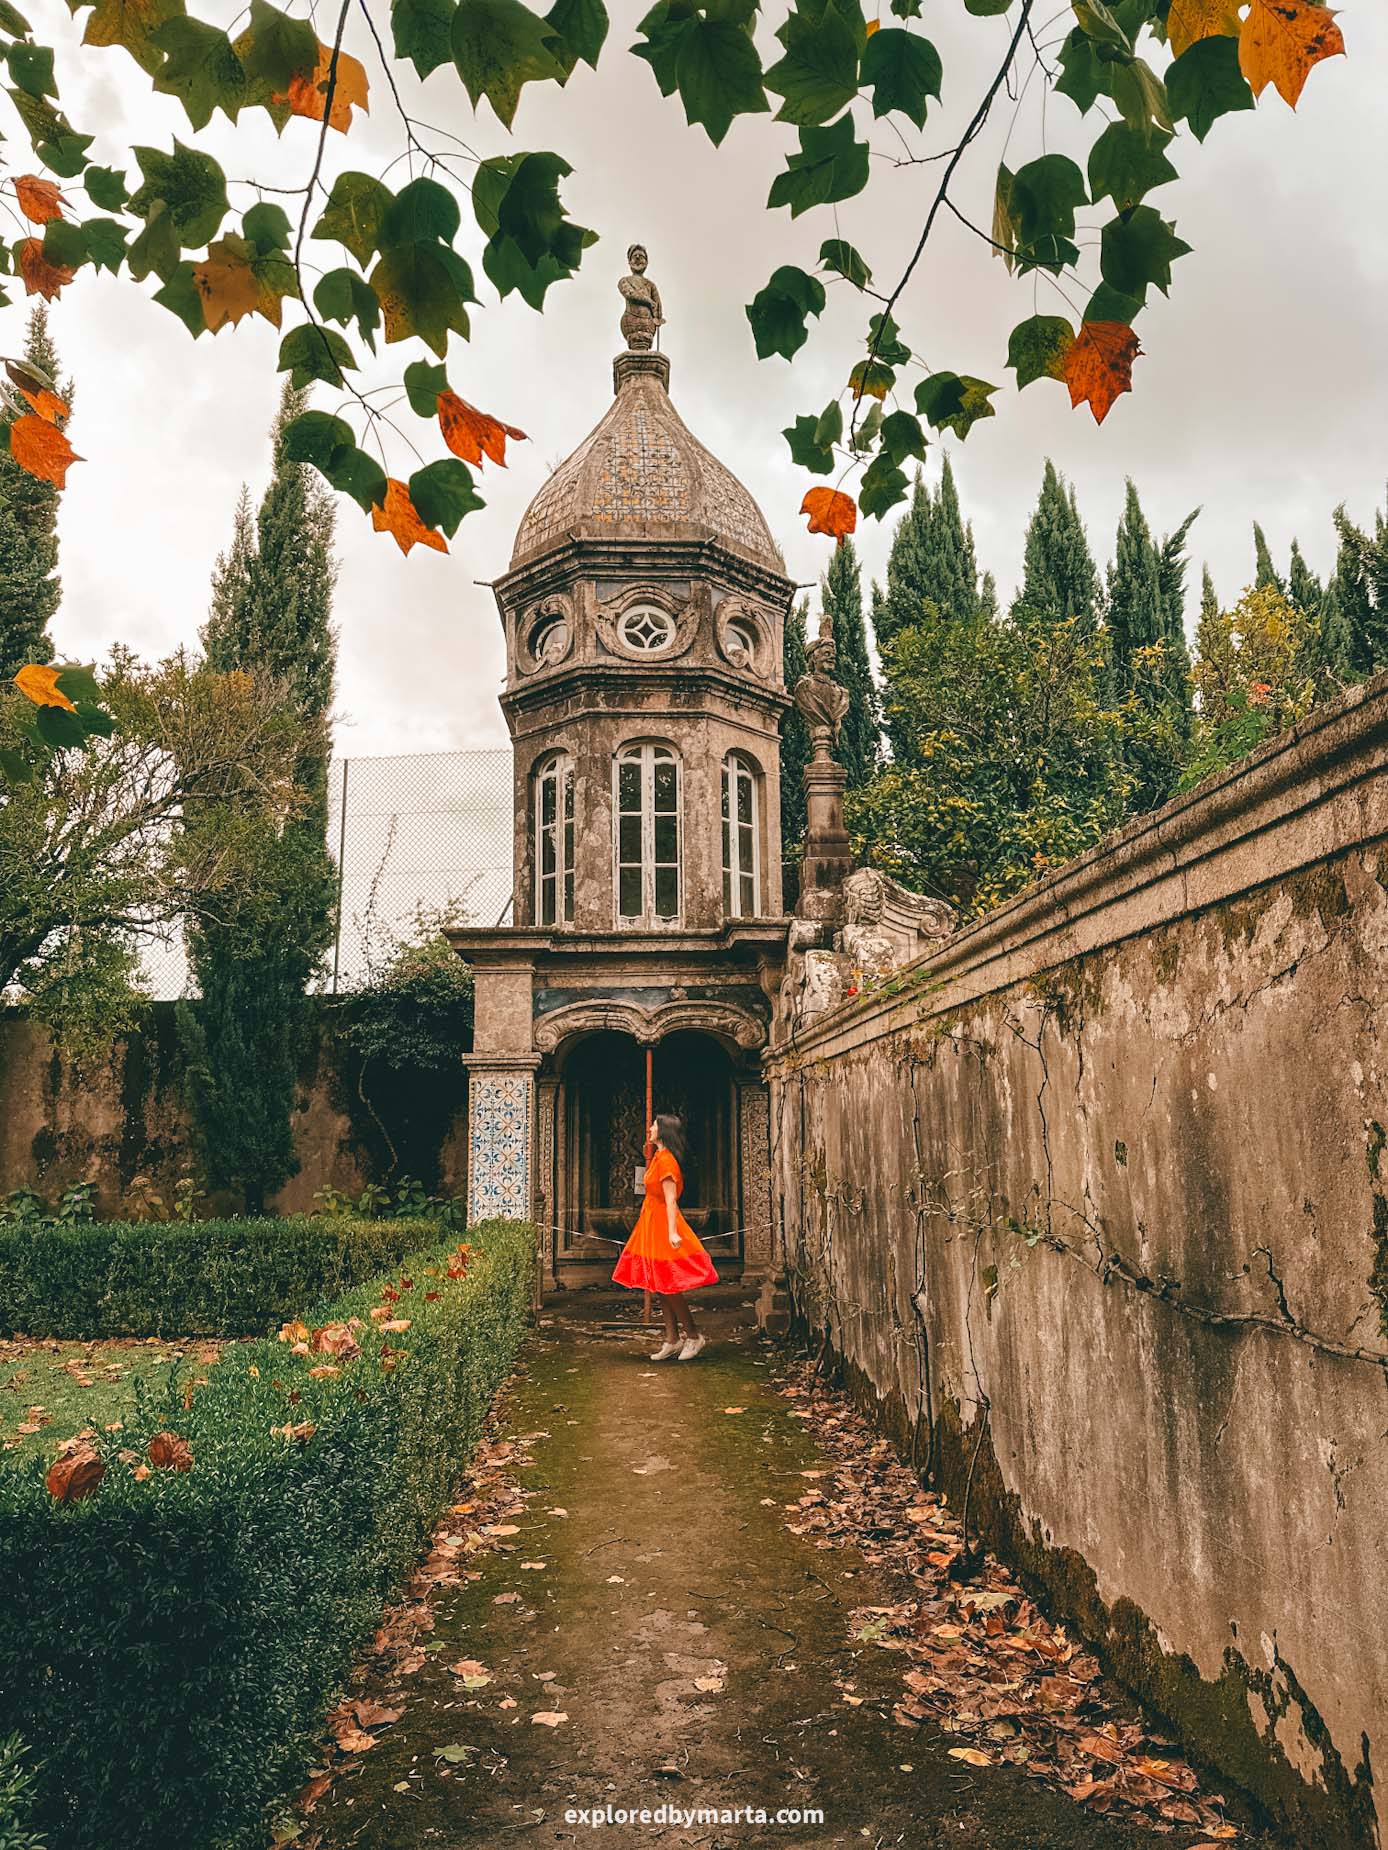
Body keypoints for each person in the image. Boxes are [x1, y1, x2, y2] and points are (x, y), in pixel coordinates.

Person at [612, 1113, 716, 1361]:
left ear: (664, 1131)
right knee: (659, 1283)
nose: (649, 1128)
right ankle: (672, 1338)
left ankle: (692, 1335)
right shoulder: (658, 1157)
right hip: (650, 1223)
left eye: (654, 1125)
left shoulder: (667, 1161)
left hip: (662, 1224)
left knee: (669, 1283)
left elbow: (671, 1200)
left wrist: (671, 1232)